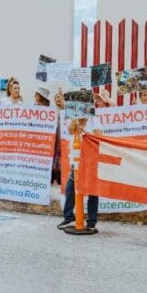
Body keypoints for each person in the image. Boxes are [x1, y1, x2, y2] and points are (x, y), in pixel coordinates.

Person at [57, 91, 104, 231]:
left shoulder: (94, 119)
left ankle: (91, 221)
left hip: (91, 160)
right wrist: (77, 118)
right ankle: (68, 216)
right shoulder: (76, 119)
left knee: (92, 190)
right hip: (77, 160)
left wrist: (85, 131)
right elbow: (70, 130)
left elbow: (98, 138)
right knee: (70, 188)